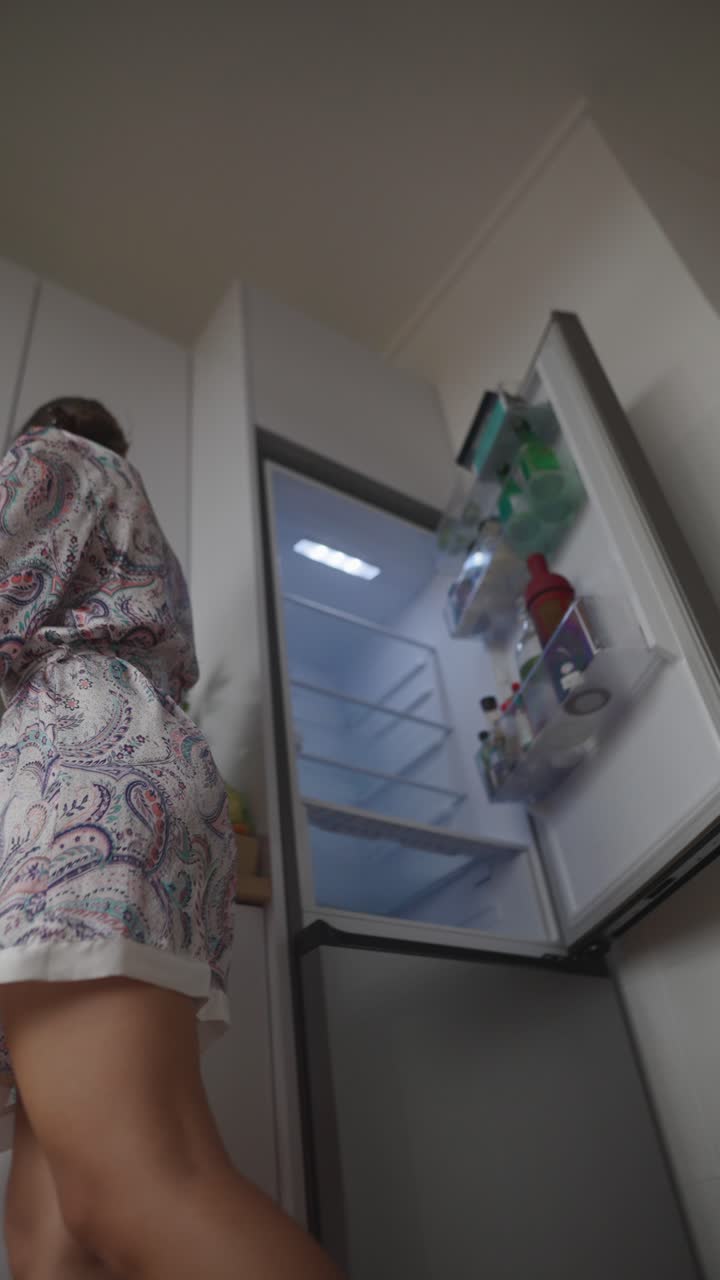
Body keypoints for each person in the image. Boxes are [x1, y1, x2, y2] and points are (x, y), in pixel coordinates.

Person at [0, 399, 340, 1278]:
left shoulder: (52, 457)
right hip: (133, 771)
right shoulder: (138, 524)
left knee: (132, 1186)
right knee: (50, 1242)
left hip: (79, 772)